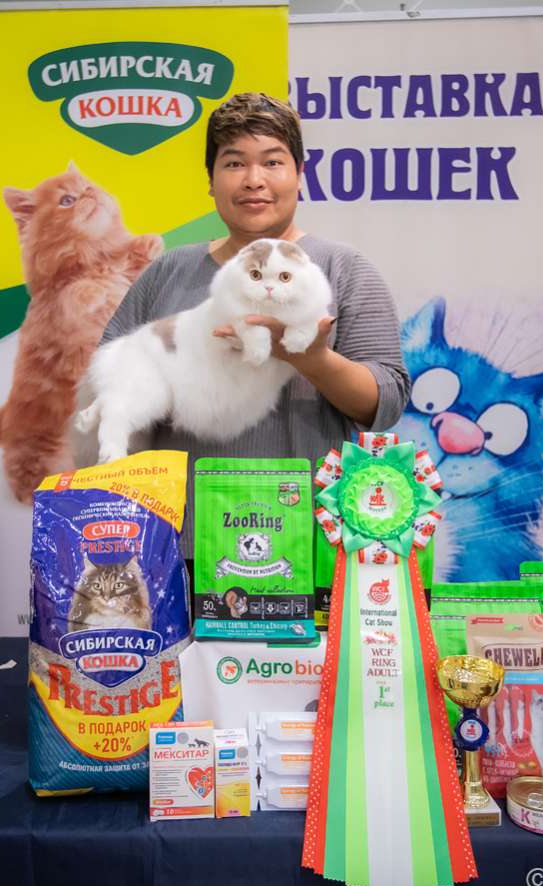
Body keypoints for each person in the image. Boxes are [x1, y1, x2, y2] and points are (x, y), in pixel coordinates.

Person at [100, 92, 410, 554]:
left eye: (272, 162)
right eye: (233, 163)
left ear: (299, 174)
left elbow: (386, 402)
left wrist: (312, 359)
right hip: (182, 545)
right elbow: (110, 385)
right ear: (210, 180)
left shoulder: (343, 269)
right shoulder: (168, 272)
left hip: (308, 545)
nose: (253, 180)